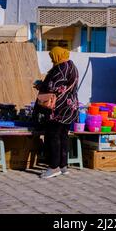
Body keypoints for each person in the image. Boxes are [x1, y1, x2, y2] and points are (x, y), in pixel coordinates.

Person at [34, 46, 79, 179]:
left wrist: (40, 85)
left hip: (59, 108)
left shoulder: (61, 68)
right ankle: (63, 165)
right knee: (63, 136)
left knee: (54, 137)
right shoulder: (71, 66)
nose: (52, 59)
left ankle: (54, 167)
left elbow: (54, 87)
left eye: (52, 57)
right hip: (70, 107)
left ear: (57, 56)